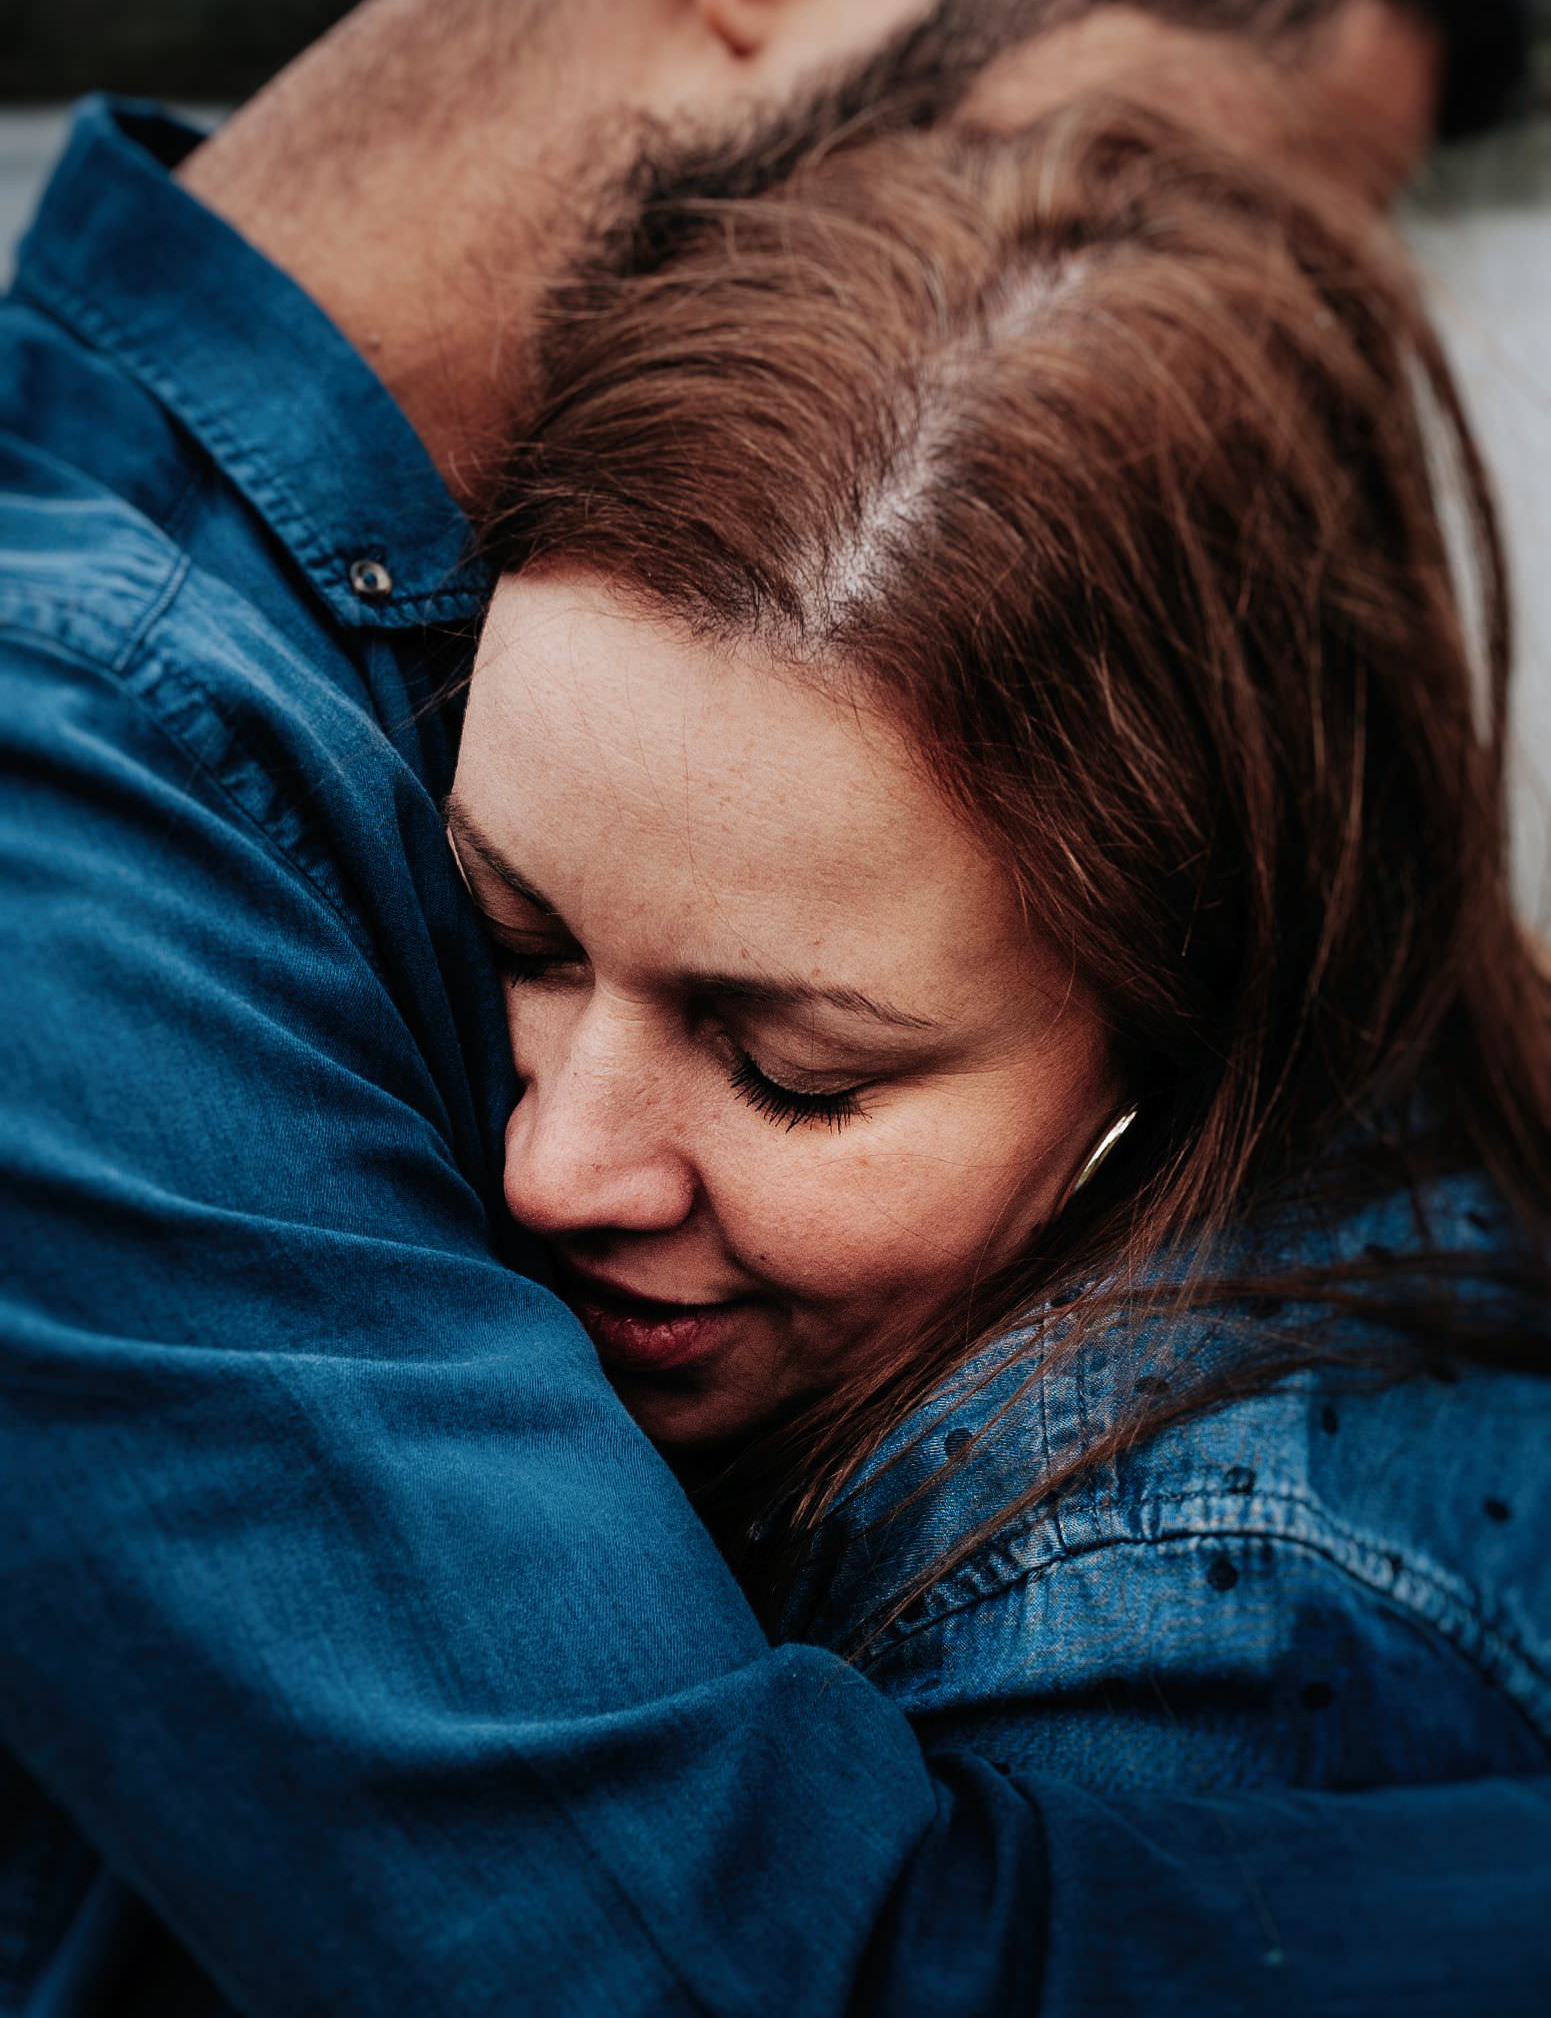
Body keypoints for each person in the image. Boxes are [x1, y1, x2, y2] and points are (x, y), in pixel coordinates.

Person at [0, 0, 1545, 2010]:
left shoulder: (469, 636)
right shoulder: (85, 776)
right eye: (1169, 189)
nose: (1220, 357)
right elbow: (712, 1961)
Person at [451, 102, 1551, 1794]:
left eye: (790, 1072)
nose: (559, 1172)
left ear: (1184, 1016)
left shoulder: (1178, 1650)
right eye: (517, 934)